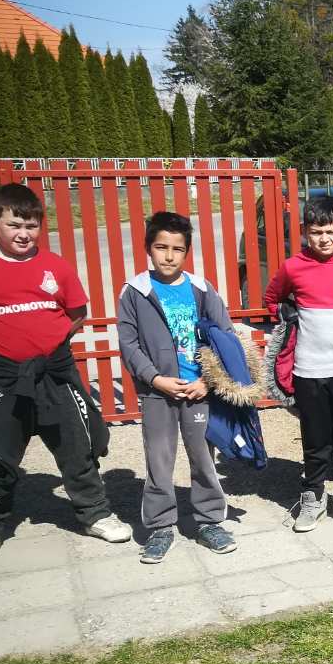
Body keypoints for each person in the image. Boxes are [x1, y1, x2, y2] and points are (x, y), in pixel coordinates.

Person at [0, 183, 132, 566]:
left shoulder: (56, 266)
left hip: (54, 373)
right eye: (14, 225)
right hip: (0, 377)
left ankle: (95, 514)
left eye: (31, 226)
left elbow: (77, 313)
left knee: (77, 447)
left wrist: (48, 344)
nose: (23, 234)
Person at [117, 211, 237, 563]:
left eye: (177, 249)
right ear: (148, 248)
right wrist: (155, 379)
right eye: (161, 247)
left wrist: (208, 381)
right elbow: (128, 344)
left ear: (187, 251)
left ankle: (209, 521)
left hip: (198, 390)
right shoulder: (135, 292)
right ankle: (160, 527)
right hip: (157, 392)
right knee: (159, 459)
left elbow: (225, 336)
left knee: (203, 458)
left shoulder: (201, 289)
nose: (169, 256)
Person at [263, 196, 333, 532]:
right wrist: (287, 316)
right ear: (304, 232)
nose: (324, 239)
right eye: (315, 232)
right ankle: (312, 497)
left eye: (330, 231)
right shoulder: (293, 267)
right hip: (309, 369)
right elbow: (272, 299)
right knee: (315, 438)